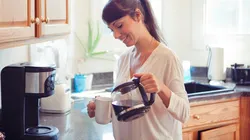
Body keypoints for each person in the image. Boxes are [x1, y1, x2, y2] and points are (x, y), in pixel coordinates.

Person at [87, 0, 190, 139]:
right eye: (112, 30)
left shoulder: (167, 58)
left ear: (137, 15)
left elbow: (184, 113)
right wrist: (102, 108)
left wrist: (161, 88)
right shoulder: (123, 60)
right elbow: (128, 110)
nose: (116, 35)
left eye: (119, 26)